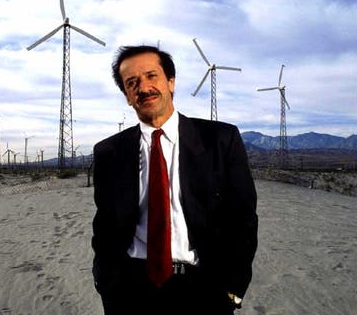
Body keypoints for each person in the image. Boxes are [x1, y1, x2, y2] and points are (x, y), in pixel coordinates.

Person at [91, 45, 258, 314]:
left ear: (171, 82)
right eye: (132, 82)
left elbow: (243, 218)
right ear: (126, 96)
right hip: (129, 290)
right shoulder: (108, 152)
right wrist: (106, 281)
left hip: (204, 289)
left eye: (151, 76)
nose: (143, 87)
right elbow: (105, 224)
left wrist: (233, 289)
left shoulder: (219, 139)